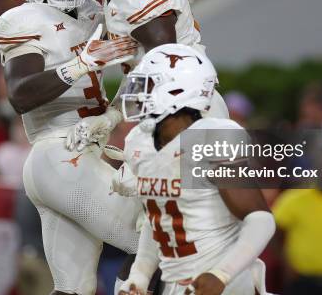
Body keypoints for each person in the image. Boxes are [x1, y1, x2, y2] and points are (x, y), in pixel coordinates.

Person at [0, 0, 239, 294]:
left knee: (73, 289)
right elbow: (19, 95)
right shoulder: (24, 20)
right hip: (58, 152)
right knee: (154, 235)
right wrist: (78, 66)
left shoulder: (92, 10)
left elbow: (148, 15)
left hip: (79, 152)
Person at [66, 0, 248, 153]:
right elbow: (140, 68)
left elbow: (164, 74)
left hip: (186, 114)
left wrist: (117, 118)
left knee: (205, 193)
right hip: (175, 109)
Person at [114, 44, 275, 295]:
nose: (137, 93)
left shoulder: (213, 135)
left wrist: (221, 275)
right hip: (176, 283)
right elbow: (157, 219)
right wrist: (140, 275)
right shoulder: (140, 141)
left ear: (178, 89)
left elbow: (261, 219)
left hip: (227, 282)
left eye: (148, 85)